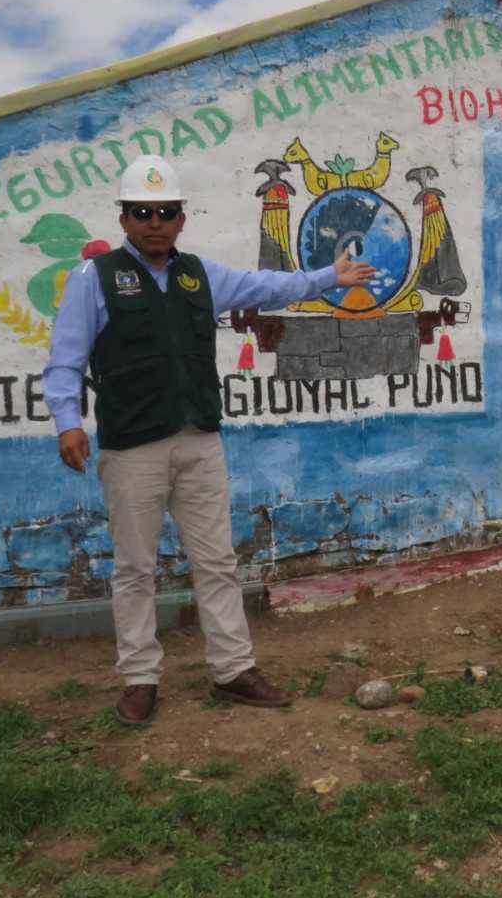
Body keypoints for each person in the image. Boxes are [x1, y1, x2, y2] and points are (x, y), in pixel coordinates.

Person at [42, 155, 375, 725]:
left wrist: (326, 278)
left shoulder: (198, 275)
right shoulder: (92, 280)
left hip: (199, 440)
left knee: (217, 560)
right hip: (132, 448)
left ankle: (232, 669)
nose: (155, 222)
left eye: (165, 212)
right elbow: (64, 360)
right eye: (142, 212)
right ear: (124, 219)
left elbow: (265, 286)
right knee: (134, 569)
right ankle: (140, 678)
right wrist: (67, 421)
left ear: (180, 219)